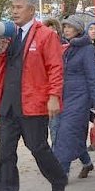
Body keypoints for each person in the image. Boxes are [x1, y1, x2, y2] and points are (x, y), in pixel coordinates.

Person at [0, 0, 67, 191]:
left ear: (31, 10)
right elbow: (0, 65)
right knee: (5, 151)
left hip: (33, 102)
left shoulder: (46, 35)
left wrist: (53, 97)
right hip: (9, 102)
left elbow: (55, 68)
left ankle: (58, 179)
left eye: (19, 7)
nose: (14, 11)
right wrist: (0, 52)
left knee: (37, 146)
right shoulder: (9, 34)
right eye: (12, 7)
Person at [53, 15, 95, 178]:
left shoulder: (87, 49)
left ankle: (62, 172)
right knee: (71, 132)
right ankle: (87, 163)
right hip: (63, 95)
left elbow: (93, 77)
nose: (66, 30)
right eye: (65, 27)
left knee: (65, 132)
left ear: (78, 30)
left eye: (70, 27)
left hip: (80, 97)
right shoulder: (64, 46)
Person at [43, 18, 62, 147]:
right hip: (44, 95)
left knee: (57, 129)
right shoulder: (40, 48)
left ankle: (57, 159)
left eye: (53, 30)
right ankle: (86, 161)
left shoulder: (66, 46)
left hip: (61, 95)